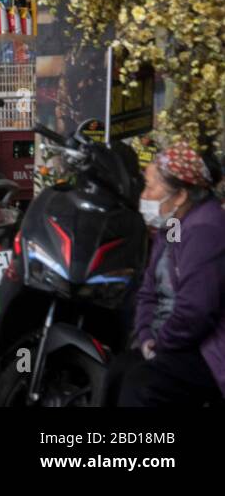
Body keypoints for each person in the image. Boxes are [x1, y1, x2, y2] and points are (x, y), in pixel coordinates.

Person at [105, 143, 225, 406]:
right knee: (116, 372)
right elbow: (149, 289)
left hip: (205, 350)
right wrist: (146, 336)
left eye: (150, 187)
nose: (144, 195)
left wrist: (160, 346)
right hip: (168, 341)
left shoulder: (206, 230)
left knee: (141, 387)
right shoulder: (173, 226)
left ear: (180, 195)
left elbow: (196, 312)